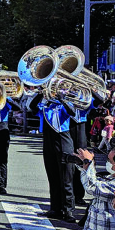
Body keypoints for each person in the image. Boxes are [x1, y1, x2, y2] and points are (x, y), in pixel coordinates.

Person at [32, 90, 76, 221]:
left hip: (63, 141)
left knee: (66, 178)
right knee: (53, 177)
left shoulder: (63, 106)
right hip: (48, 142)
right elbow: (32, 107)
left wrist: (62, 99)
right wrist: (40, 94)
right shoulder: (45, 108)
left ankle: (68, 211)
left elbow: (72, 112)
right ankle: (55, 209)